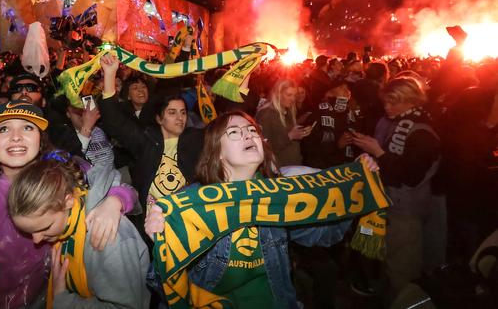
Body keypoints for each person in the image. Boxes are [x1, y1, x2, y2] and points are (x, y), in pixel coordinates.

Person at [145, 111, 355, 308]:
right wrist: (164, 246)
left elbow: (322, 235)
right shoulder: (190, 203)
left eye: (253, 130)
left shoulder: (277, 194)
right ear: (217, 151)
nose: (248, 134)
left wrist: (355, 192)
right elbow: (166, 292)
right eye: (235, 132)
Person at [0, 100, 138, 308]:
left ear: (40, 139)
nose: (16, 137)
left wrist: (114, 201)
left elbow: (118, 187)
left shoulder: (62, 172)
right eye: (4, 129)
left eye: (27, 127)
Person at [8, 158, 150, 309]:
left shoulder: (107, 237)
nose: (36, 240)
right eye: (29, 232)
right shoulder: (68, 222)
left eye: (46, 227)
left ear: (68, 201)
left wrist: (64, 300)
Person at [351, 77, 443, 299]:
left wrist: (378, 152)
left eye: (393, 102)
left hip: (407, 212)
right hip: (393, 205)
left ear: (411, 101)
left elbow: (411, 176)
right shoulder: (404, 122)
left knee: (403, 270)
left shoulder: (421, 131)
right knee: (391, 263)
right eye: (386, 102)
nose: (387, 107)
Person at [98, 54, 203, 218]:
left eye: (183, 113)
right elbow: (114, 121)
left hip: (189, 218)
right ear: (159, 119)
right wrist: (110, 74)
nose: (180, 118)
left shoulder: (195, 139)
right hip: (154, 220)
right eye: (172, 113)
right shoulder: (146, 141)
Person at [256, 78, 313, 167]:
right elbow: (263, 148)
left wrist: (302, 132)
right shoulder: (266, 113)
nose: (293, 99)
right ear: (278, 94)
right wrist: (290, 136)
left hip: (293, 165)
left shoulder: (289, 110)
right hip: (278, 170)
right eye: (289, 95)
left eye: (294, 95)